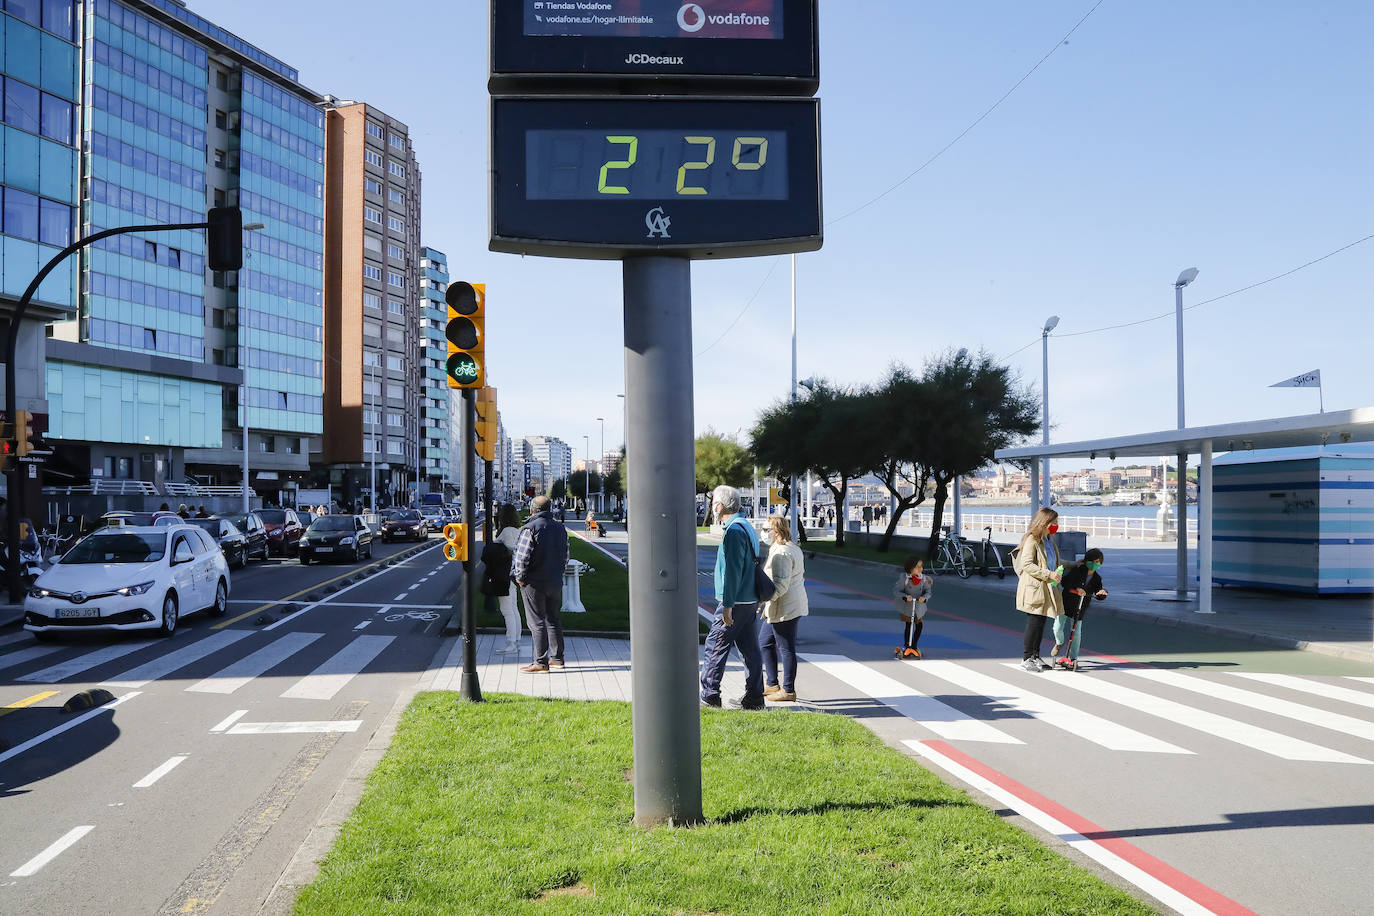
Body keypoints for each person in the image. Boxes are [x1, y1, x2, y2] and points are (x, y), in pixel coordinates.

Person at [700, 485, 765, 710]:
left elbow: (732, 571)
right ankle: (755, 697)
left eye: (713, 503)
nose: (712, 507)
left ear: (719, 505)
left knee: (715, 645)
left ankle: (710, 694)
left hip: (735, 602)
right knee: (750, 650)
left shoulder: (733, 531)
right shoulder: (746, 527)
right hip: (749, 600)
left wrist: (727, 605)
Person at [512, 495, 569, 673]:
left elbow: (521, 557)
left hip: (534, 582)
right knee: (552, 619)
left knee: (536, 621)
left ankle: (540, 662)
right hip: (555, 581)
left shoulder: (530, 528)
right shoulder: (560, 528)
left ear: (532, 510)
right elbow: (566, 556)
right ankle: (557, 658)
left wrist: (519, 578)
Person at [759, 515, 808, 702]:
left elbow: (780, 585)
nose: (763, 533)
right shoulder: (790, 548)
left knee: (786, 648)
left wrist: (761, 601)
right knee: (764, 642)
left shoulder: (782, 552)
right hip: (781, 605)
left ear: (777, 531)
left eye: (766, 530)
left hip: (785, 606)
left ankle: (788, 690)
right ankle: (772, 684)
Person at [1014, 507, 1064, 672]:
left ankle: (1035, 656)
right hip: (1034, 588)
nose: (1056, 526)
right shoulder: (1032, 539)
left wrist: (1076, 564)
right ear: (1045, 522)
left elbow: (1055, 562)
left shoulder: (1048, 540)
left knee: (1040, 623)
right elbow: (1026, 564)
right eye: (1054, 522)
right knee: (1034, 623)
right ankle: (1027, 657)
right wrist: (1048, 573)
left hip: (1046, 587)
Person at [1051, 548, 1108, 671]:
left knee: (1076, 634)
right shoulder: (1077, 571)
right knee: (1057, 628)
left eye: (1098, 562)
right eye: (1093, 561)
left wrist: (1102, 593)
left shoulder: (1097, 578)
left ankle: (1073, 658)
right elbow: (1065, 582)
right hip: (1066, 603)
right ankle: (1059, 643)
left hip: (1081, 608)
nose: (1095, 564)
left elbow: (1098, 591)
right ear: (1087, 561)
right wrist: (1076, 588)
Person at [483, 504, 523, 656]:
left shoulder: (506, 532)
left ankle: (511, 643)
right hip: (513, 574)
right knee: (513, 608)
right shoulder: (518, 531)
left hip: (502, 574)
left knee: (507, 610)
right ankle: (517, 639)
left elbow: (503, 551)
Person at [892, 555, 932, 659]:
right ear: (910, 568)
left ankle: (914, 645)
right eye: (917, 567)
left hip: (918, 606)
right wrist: (905, 596)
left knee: (919, 626)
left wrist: (924, 597)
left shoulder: (924, 579)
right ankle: (907, 646)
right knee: (909, 625)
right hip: (908, 607)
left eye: (921, 566)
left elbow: (928, 591)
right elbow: (897, 591)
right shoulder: (904, 579)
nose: (920, 569)